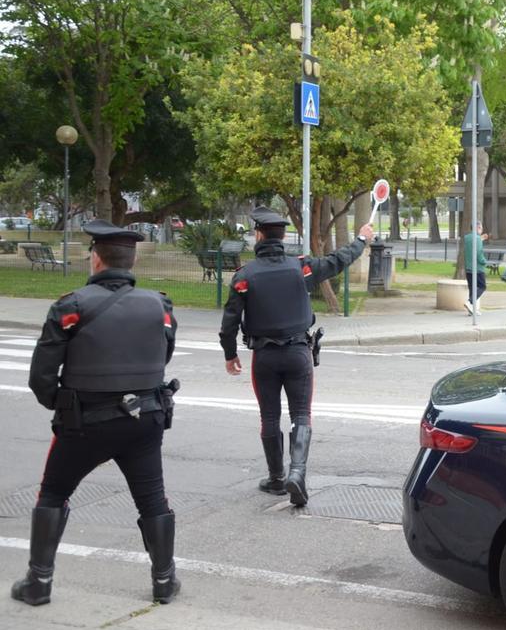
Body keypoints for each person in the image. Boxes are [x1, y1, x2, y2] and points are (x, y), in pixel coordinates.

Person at [13, 220, 180, 606]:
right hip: (145, 418)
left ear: (96, 259)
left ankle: (38, 583)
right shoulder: (161, 305)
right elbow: (164, 354)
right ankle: (164, 581)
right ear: (132, 259)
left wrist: (65, 404)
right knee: (152, 498)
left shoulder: (70, 306)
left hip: (84, 422)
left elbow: (41, 376)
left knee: (54, 492)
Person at [221, 207, 372, 507]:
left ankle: (276, 478)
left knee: (269, 416)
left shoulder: (244, 276)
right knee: (301, 414)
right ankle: (298, 474)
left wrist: (230, 354)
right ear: (284, 236)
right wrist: (360, 240)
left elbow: (229, 321)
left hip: (264, 357)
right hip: (298, 354)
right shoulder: (300, 267)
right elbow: (338, 261)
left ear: (259, 235)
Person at [462, 221, 489, 315]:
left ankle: (472, 309)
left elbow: (472, 246)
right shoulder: (477, 239)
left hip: (468, 267)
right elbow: (479, 253)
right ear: (477, 228)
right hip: (478, 268)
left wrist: (480, 239)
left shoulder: (467, 238)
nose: (482, 230)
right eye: (481, 228)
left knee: (472, 288)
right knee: (482, 286)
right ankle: (470, 302)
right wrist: (484, 261)